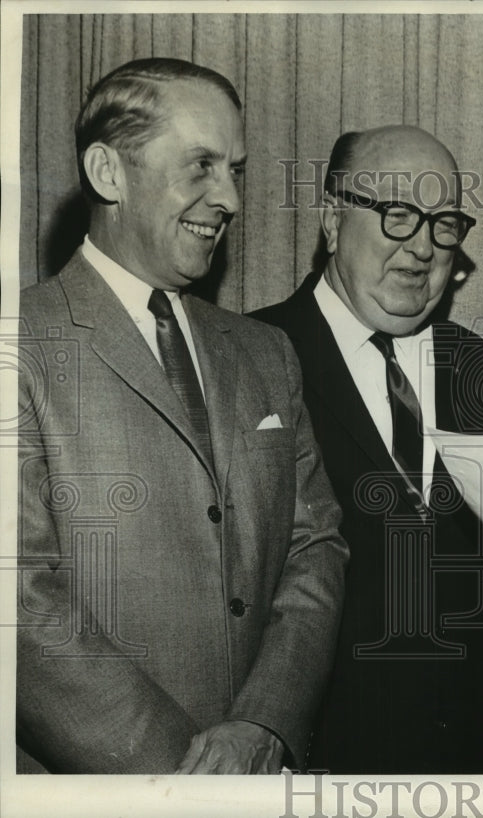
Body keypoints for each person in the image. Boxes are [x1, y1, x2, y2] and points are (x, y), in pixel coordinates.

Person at [16, 58, 349, 775]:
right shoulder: (20, 345)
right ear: (109, 173)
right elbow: (19, 594)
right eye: (200, 165)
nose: (228, 197)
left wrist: (264, 722)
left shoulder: (267, 353)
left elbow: (315, 549)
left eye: (234, 169)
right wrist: (190, 778)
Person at [252, 125, 483, 773]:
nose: (422, 247)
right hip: (316, 766)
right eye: (397, 216)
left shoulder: (477, 368)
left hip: (467, 767)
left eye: (443, 224)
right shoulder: (251, 355)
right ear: (333, 222)